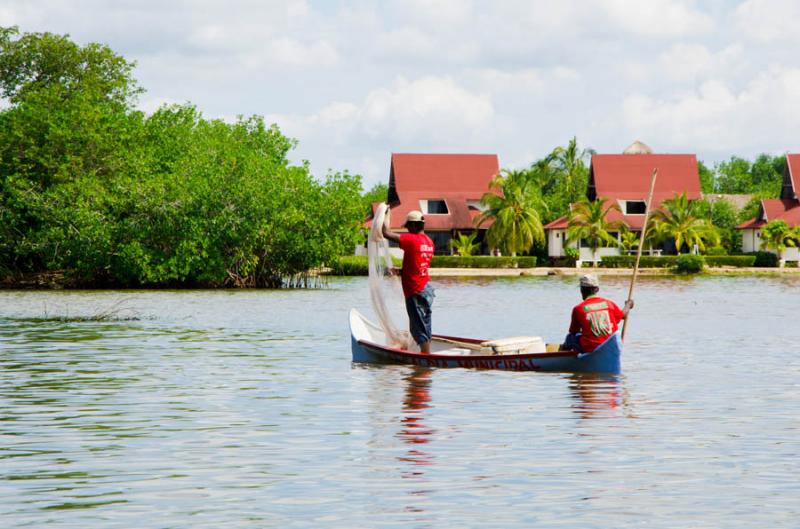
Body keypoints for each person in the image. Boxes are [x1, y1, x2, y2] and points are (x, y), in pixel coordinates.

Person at [382, 209, 435, 353]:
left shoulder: (412, 239)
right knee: (424, 323)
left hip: (415, 290)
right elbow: (417, 266)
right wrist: (399, 271)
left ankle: (426, 357)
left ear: (413, 225)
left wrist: (385, 213)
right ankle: (426, 352)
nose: (406, 229)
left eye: (407, 226)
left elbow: (385, 233)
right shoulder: (429, 242)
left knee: (418, 326)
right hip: (426, 288)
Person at [563, 274, 634, 353]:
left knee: (570, 337)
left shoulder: (578, 309)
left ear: (582, 290)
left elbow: (573, 331)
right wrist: (628, 304)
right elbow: (623, 315)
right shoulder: (609, 304)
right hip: (612, 347)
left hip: (590, 349)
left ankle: (563, 359)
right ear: (597, 289)